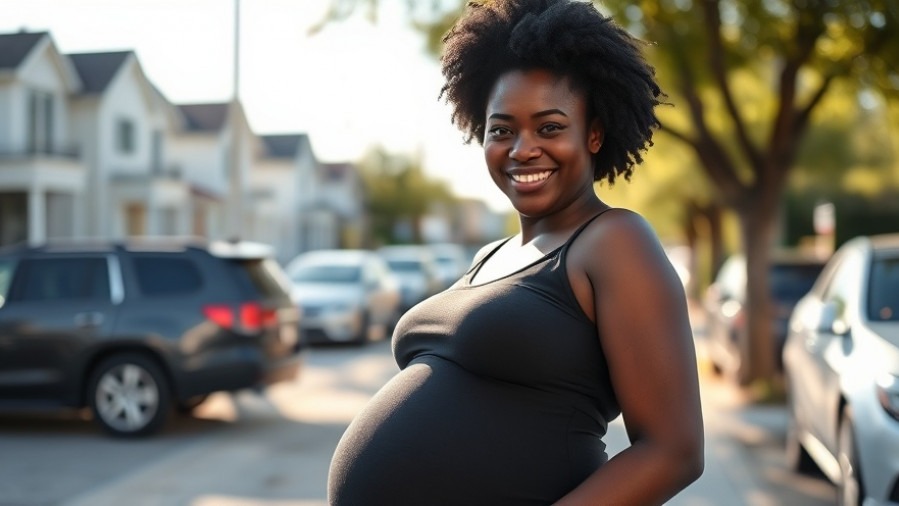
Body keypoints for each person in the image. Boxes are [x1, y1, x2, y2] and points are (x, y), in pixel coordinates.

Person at [327, 0, 704, 503]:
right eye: (502, 130)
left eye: (549, 127)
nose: (522, 148)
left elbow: (673, 451)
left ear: (593, 134)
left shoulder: (614, 241)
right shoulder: (491, 254)